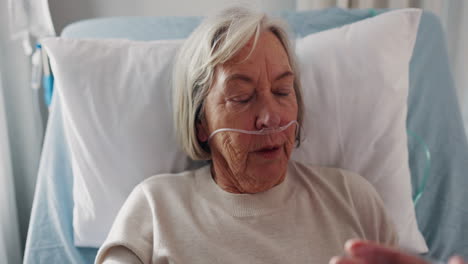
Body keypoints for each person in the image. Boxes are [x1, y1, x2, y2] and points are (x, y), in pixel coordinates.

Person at [95, 6, 465, 264]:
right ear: (200, 122)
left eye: (283, 92)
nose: (269, 117)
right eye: (241, 96)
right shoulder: (155, 208)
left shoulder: (353, 200)